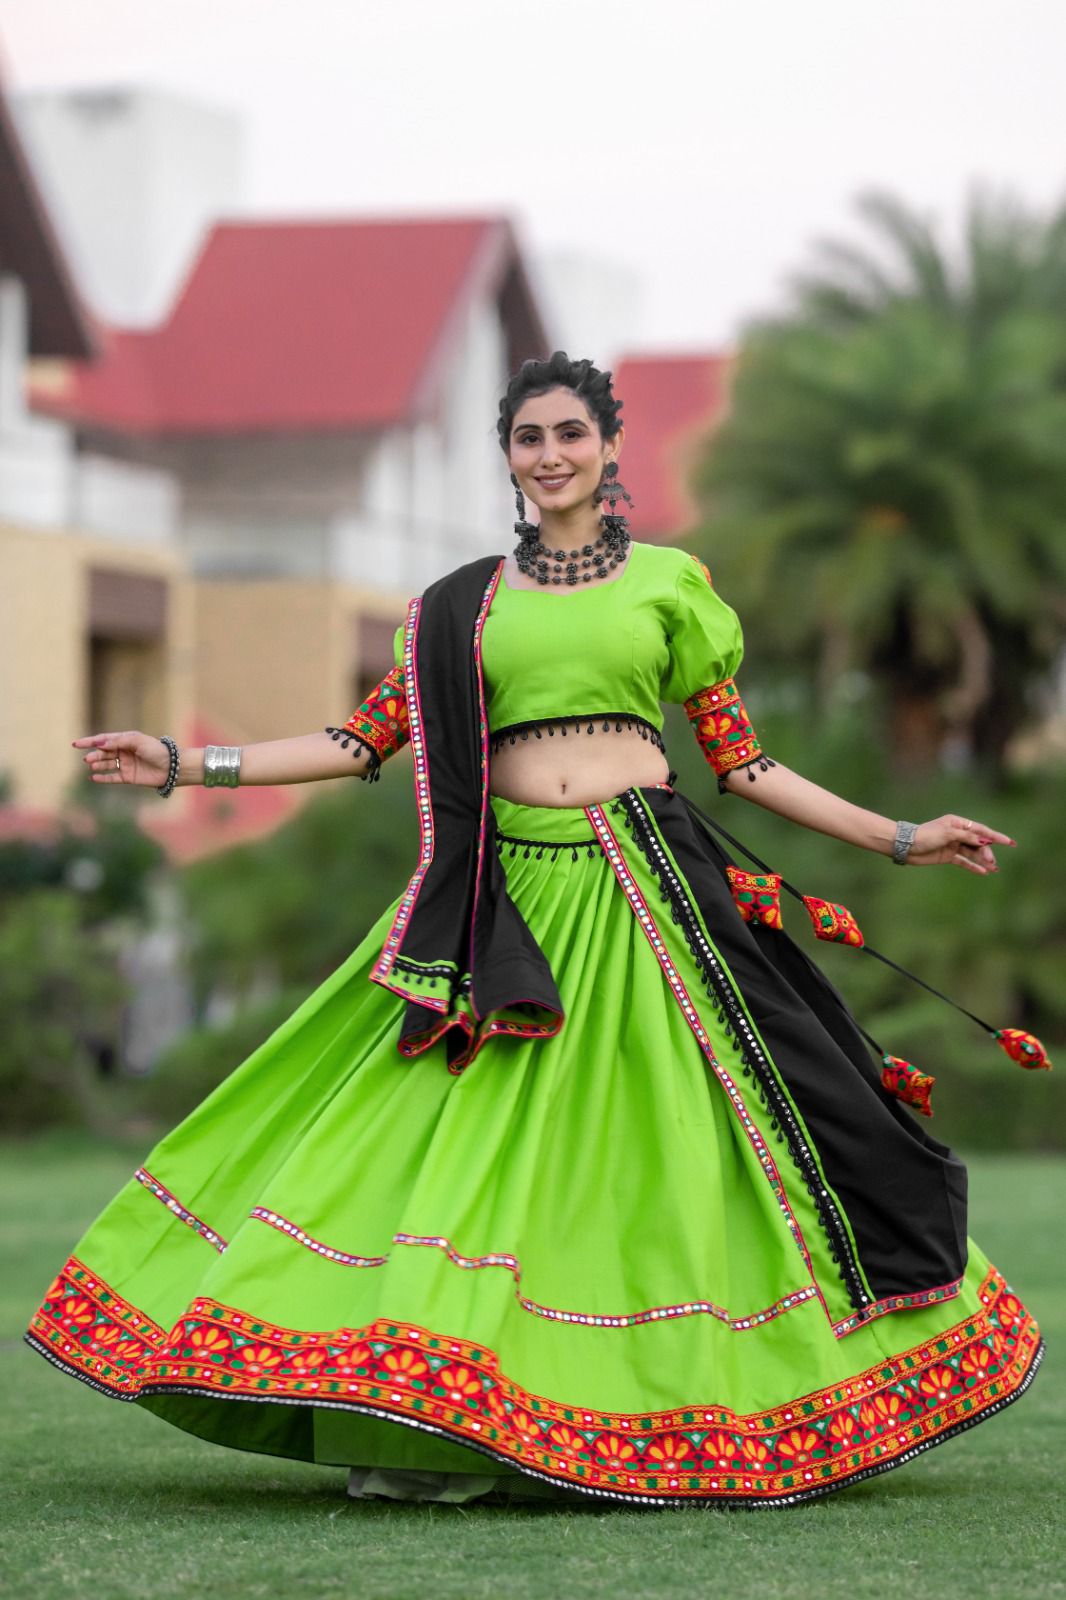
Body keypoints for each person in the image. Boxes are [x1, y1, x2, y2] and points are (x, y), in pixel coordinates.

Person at [26, 351, 1043, 1509]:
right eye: (527, 437)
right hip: (496, 909)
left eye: (569, 434)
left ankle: (687, 1403)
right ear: (505, 455)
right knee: (445, 1145)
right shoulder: (459, 605)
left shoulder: (670, 583)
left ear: (607, 447)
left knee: (680, 1148)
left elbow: (744, 763)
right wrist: (182, 761)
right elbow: (359, 743)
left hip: (648, 898)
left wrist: (901, 835)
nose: (549, 455)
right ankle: (434, 1418)